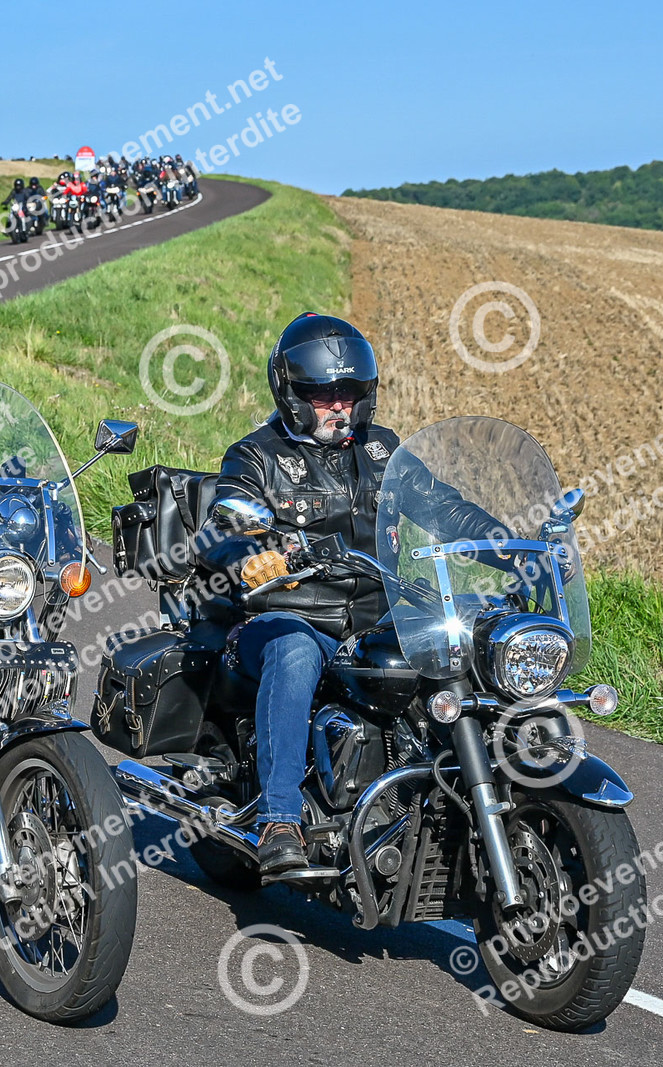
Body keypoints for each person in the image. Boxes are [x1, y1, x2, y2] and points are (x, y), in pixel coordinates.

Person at [202, 313, 503, 875]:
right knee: (295, 653)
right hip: (289, 616)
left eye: (349, 392)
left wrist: (505, 544)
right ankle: (279, 819)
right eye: (321, 394)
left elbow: (442, 505)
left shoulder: (383, 449)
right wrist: (251, 558)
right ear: (292, 393)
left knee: (466, 636)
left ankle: (479, 797)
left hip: (375, 618)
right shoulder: (256, 455)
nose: (338, 405)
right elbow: (223, 524)